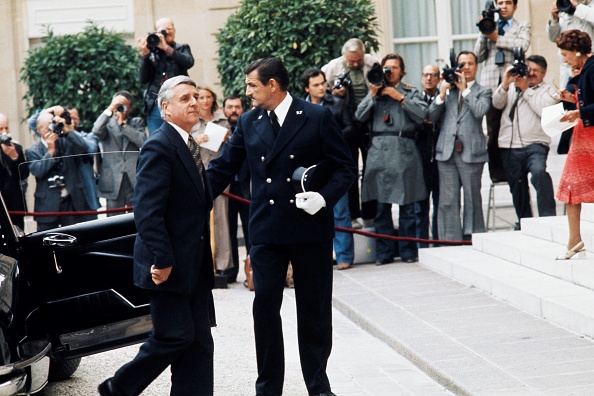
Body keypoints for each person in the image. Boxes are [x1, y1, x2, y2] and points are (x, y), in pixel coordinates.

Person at [207, 58, 356, 396]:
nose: (247, 93)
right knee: (265, 308)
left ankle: (318, 386)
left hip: (309, 228)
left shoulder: (316, 117)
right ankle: (268, 388)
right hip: (267, 230)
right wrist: (190, 196)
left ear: (272, 85)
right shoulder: (248, 121)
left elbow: (344, 167)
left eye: (252, 86)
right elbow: (224, 167)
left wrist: (324, 198)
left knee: (314, 310)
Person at [98, 76, 215, 395]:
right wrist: (162, 260)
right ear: (165, 109)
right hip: (168, 266)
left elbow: (195, 195)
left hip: (194, 266)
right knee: (173, 337)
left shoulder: (189, 143)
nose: (194, 102)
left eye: (195, 96)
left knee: (200, 344)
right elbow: (148, 212)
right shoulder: (159, 145)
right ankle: (117, 388)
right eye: (184, 99)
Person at [355, 54, 427, 264]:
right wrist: (372, 94)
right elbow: (359, 116)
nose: (390, 72)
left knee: (407, 205)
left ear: (402, 71)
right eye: (387, 68)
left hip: (404, 148)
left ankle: (407, 252)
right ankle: (384, 253)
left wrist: (400, 97)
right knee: (381, 206)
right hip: (379, 152)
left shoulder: (409, 91)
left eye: (394, 68)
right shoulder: (375, 92)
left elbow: (423, 115)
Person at [428, 51, 492, 241]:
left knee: (472, 197)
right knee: (447, 198)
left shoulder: (483, 90)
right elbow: (430, 117)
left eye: (470, 63)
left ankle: (473, 235)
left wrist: (465, 90)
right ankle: (450, 237)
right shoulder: (448, 91)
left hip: (472, 151)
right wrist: (441, 93)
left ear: (476, 66)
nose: (466, 68)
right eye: (462, 64)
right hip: (446, 151)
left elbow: (480, 111)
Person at [492, 55, 557, 228]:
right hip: (510, 146)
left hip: (536, 144)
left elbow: (545, 111)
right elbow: (497, 104)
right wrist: (505, 84)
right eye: (529, 69)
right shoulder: (514, 86)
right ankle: (525, 223)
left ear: (544, 73)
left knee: (539, 173)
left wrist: (527, 90)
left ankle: (548, 220)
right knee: (517, 188)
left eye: (536, 70)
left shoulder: (549, 90)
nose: (531, 73)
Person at [322, 38, 380, 229]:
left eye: (358, 61)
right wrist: (334, 94)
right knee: (350, 170)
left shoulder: (372, 63)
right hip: (347, 122)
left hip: (369, 121)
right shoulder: (331, 67)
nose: (355, 64)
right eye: (351, 62)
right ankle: (354, 215)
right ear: (344, 56)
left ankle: (370, 214)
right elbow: (322, 92)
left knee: (371, 170)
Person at [302, 67, 355, 270]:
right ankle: (317, 256)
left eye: (323, 83)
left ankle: (344, 256)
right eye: (316, 84)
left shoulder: (337, 103)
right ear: (307, 88)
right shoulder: (299, 107)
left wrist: (332, 138)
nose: (321, 87)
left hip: (333, 164)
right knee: (310, 212)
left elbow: (351, 127)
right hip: (309, 169)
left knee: (340, 210)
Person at [474, 0, 531, 183]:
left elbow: (522, 45)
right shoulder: (488, 25)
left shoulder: (522, 25)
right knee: (492, 130)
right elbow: (478, 55)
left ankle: (515, 170)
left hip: (513, 83)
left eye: (508, 2)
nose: (503, 6)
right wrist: (484, 33)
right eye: (500, 2)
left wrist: (497, 38)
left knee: (513, 125)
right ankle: (498, 173)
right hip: (491, 85)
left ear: (515, 6)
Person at [554, 30, 594, 260]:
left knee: (573, 187)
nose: (564, 59)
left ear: (577, 51)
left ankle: (574, 240)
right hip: (583, 136)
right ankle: (574, 239)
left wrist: (579, 111)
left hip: (590, 137)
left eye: (565, 54)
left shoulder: (592, 68)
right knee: (571, 188)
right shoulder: (584, 69)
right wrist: (572, 100)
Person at [190, 86, 233, 277]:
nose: (205, 101)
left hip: (219, 173)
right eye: (201, 97)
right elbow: (184, 145)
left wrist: (227, 138)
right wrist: (196, 141)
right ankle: (203, 263)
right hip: (198, 172)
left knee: (221, 218)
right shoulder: (191, 121)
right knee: (200, 217)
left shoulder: (222, 119)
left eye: (208, 97)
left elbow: (234, 146)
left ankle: (222, 264)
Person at [25, 110, 91, 231]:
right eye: (47, 127)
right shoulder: (32, 151)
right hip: (47, 205)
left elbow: (83, 149)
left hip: (70, 202)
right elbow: (38, 171)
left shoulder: (65, 142)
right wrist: (50, 152)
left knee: (74, 238)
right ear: (39, 130)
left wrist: (67, 130)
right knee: (47, 241)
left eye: (53, 125)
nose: (51, 130)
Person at [92, 91, 147, 216]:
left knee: (137, 216)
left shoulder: (136, 122)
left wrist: (124, 125)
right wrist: (110, 109)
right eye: (117, 104)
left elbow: (143, 142)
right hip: (113, 180)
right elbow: (96, 130)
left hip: (133, 179)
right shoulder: (107, 124)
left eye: (123, 105)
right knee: (113, 219)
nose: (119, 108)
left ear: (130, 108)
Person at [137, 17, 194, 135]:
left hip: (178, 102)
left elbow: (189, 62)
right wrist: (145, 55)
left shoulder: (182, 48)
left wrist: (166, 48)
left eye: (169, 28)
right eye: (163, 30)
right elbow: (143, 78)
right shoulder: (152, 52)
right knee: (157, 139)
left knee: (180, 137)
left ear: (174, 30)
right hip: (155, 103)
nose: (167, 32)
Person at [221, 95, 253, 287]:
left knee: (250, 228)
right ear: (224, 110)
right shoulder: (217, 128)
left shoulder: (248, 126)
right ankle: (231, 271)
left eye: (237, 107)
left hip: (245, 185)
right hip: (226, 188)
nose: (234, 110)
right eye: (230, 107)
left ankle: (252, 269)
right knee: (228, 229)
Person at [415, 65, 442, 246]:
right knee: (420, 206)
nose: (429, 79)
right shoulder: (414, 98)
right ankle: (421, 244)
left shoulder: (445, 96)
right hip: (420, 159)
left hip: (440, 159)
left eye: (433, 75)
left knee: (440, 205)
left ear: (439, 78)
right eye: (425, 75)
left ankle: (439, 241)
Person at [548, 0, 594, 85]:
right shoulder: (563, 7)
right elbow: (553, 37)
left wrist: (575, 8)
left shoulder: (590, 6)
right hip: (567, 67)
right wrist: (554, 19)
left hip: (586, 63)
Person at [0, 113, 29, 230]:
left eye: (6, 128)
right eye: (0, 129)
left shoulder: (16, 147)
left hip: (14, 203)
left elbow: (24, 174)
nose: (4, 132)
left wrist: (15, 158)